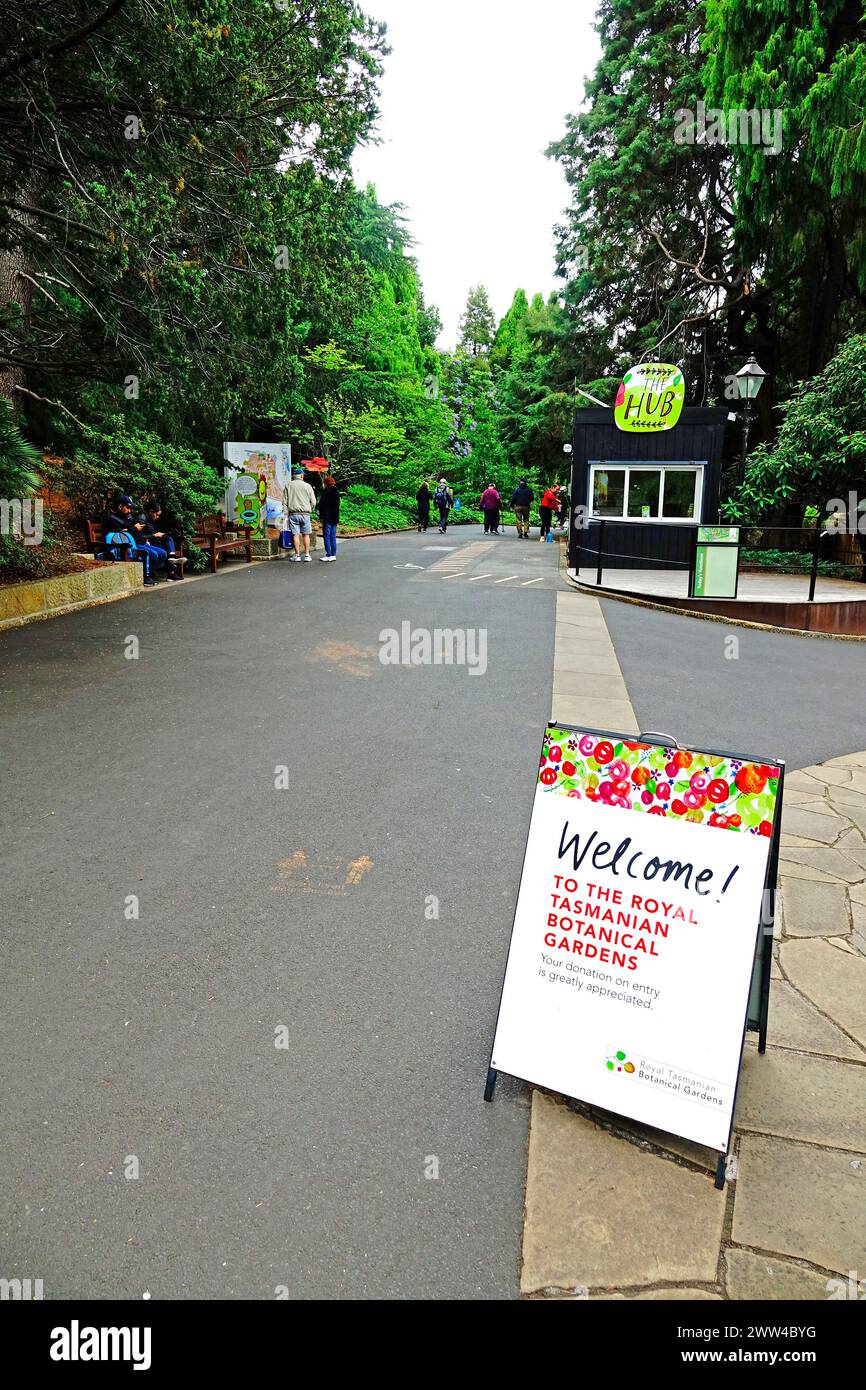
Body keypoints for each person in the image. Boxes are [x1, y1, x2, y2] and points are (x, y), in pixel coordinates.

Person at [101, 494, 155, 585]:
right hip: (118, 548)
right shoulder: (111, 518)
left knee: (149, 552)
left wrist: (131, 529)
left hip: (131, 543)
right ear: (120, 506)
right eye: (128, 507)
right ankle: (145, 577)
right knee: (147, 553)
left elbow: (127, 529)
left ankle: (147, 576)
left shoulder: (126, 516)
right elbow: (119, 535)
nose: (130, 510)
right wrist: (133, 529)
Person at [133, 502, 184, 580]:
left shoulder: (149, 519)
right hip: (144, 543)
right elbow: (138, 537)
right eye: (156, 514)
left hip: (151, 541)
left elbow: (149, 532)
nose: (157, 517)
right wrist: (154, 535)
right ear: (151, 511)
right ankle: (170, 572)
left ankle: (171, 557)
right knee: (163, 552)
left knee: (168, 538)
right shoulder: (142, 518)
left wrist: (158, 535)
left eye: (158, 515)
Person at [282, 465, 318, 562]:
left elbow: (284, 502)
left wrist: (285, 514)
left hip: (293, 514)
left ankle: (297, 555)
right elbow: (314, 502)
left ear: (293, 476)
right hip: (305, 514)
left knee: (295, 534)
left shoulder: (288, 485)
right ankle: (307, 555)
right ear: (301, 476)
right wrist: (309, 509)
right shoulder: (308, 486)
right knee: (306, 534)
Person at [318, 475, 340, 562]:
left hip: (327, 517)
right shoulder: (336, 492)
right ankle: (333, 554)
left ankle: (328, 554)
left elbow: (321, 505)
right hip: (335, 517)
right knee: (333, 536)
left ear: (326, 484)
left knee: (326, 536)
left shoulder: (326, 492)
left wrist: (320, 514)